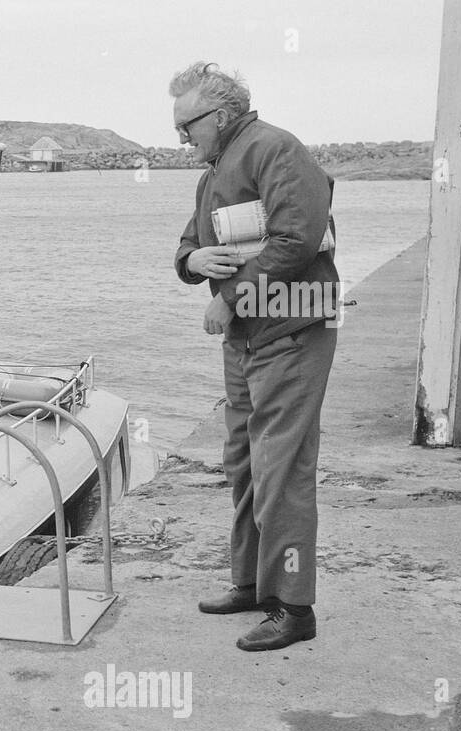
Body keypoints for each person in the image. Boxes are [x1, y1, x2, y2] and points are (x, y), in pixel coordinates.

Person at [170, 62, 339, 652]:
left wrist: (231, 295)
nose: (182, 140)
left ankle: (293, 606)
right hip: (247, 340)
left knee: (282, 468)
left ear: (219, 115)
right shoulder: (217, 168)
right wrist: (193, 264)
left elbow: (296, 239)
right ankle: (251, 583)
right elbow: (192, 244)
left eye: (187, 128)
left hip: (291, 330)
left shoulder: (277, 151)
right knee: (243, 460)